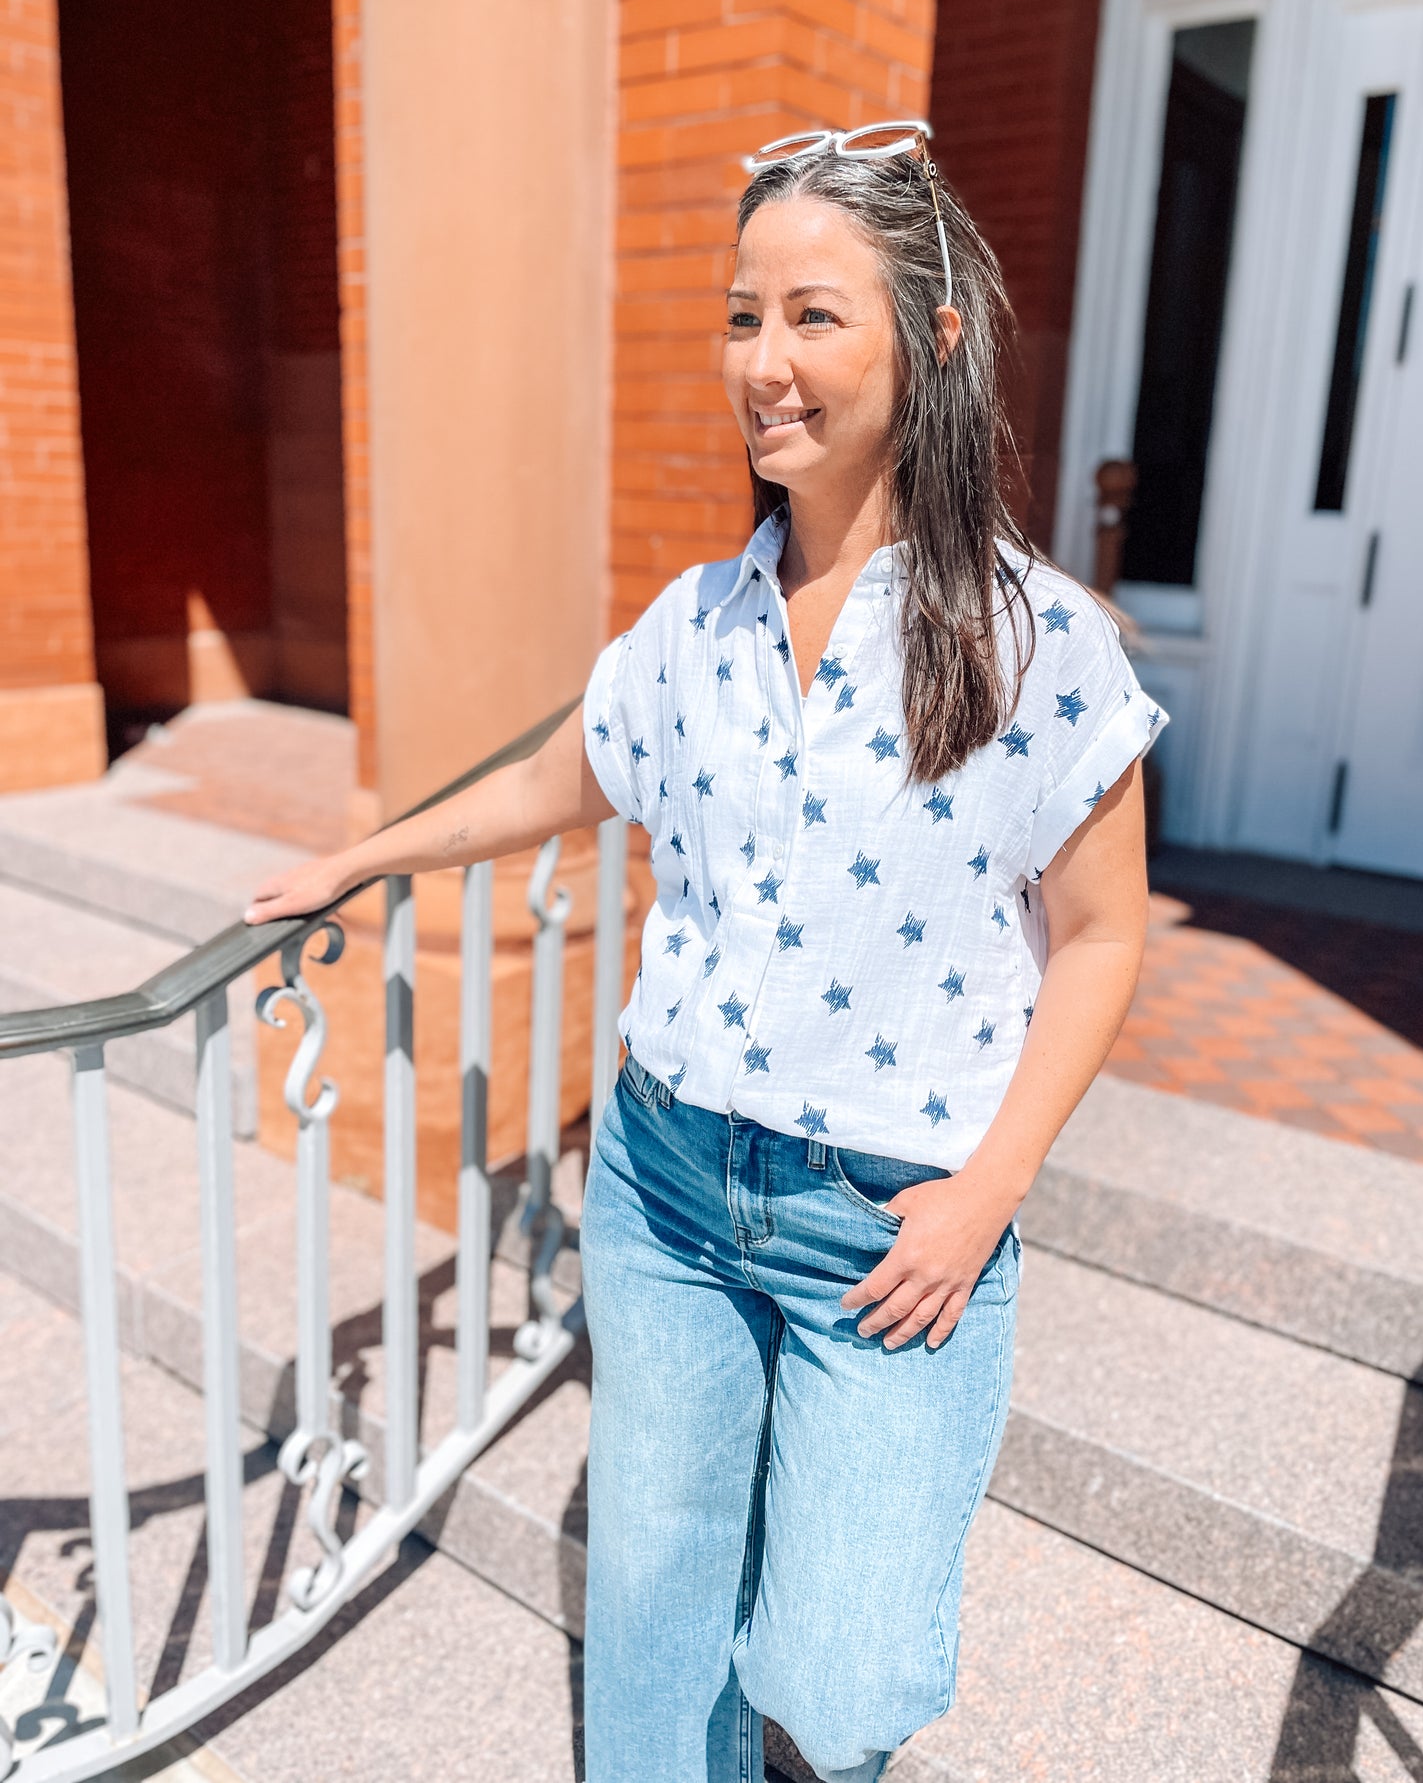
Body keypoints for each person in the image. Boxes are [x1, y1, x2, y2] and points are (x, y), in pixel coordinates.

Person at [247, 120, 1167, 1783]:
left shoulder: (1044, 646)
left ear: (930, 338)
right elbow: (556, 780)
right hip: (666, 1182)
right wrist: (363, 856)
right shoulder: (694, 622)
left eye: (814, 316)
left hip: (889, 1223)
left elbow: (1100, 941)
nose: (764, 364)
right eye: (743, 317)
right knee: (662, 1609)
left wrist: (985, 1197)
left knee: (847, 1667)